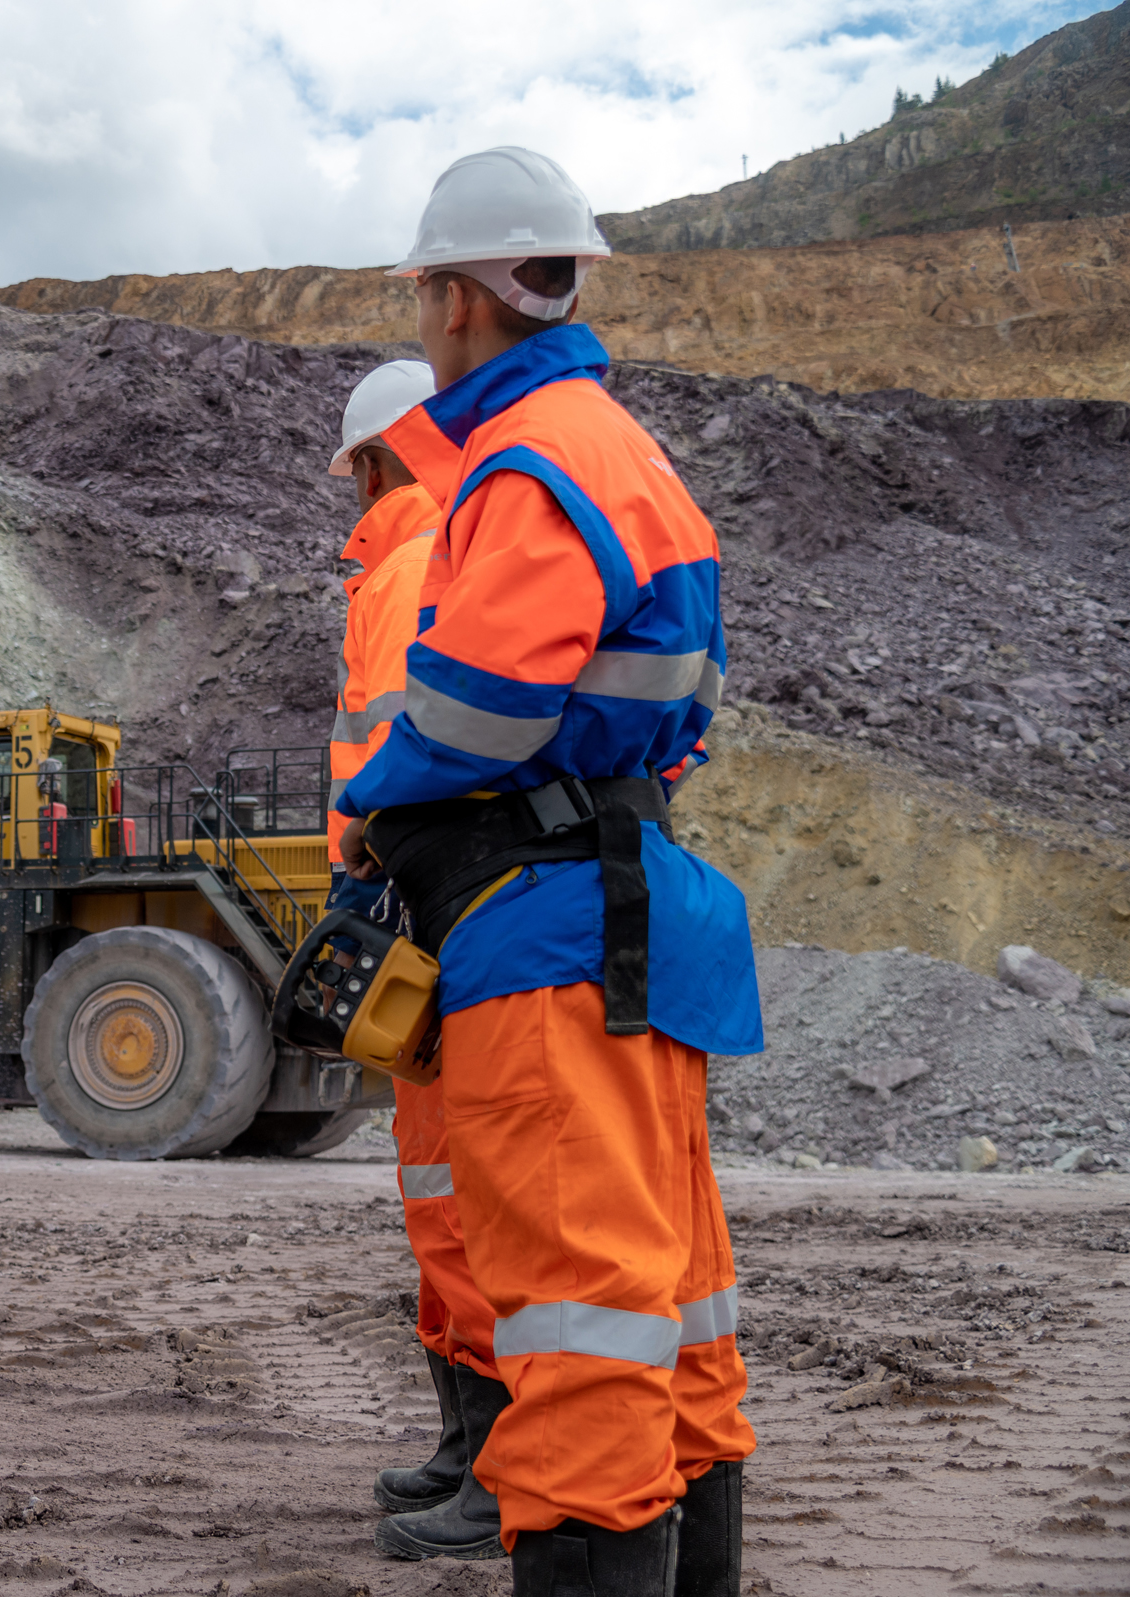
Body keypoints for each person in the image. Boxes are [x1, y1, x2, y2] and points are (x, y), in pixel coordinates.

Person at [336, 147, 764, 1597]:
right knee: (667, 1313)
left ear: (457, 297)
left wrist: (385, 816)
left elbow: (469, 711)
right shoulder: (627, 447)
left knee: (578, 1322)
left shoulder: (527, 460)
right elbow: (680, 704)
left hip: (542, 930)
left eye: (423, 291)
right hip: (632, 907)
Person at [325, 360, 509, 1563]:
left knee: (455, 1191)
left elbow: (388, 746)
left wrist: (365, 880)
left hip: (420, 897)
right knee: (442, 1188)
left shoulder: (407, 563)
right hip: (443, 893)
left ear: (384, 457)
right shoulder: (458, 546)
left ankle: (496, 1467)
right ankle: (465, 1445)